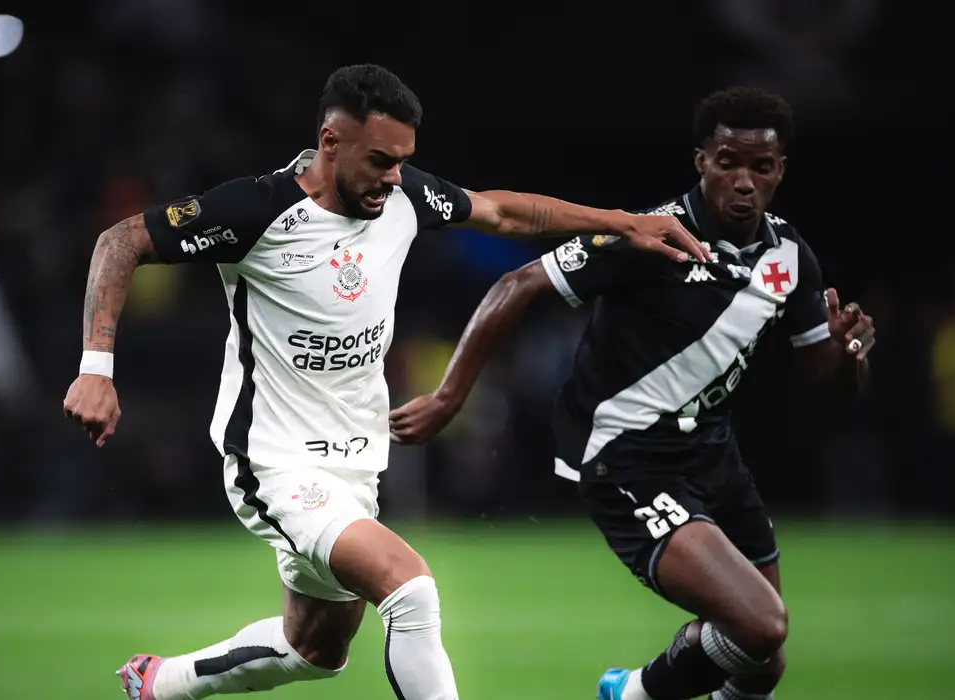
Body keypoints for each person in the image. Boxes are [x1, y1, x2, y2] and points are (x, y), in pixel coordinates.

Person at [62, 63, 708, 700]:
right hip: (275, 460)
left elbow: (503, 213)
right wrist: (96, 369)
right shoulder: (256, 209)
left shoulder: (402, 196)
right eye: (379, 160)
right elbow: (121, 242)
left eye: (402, 161)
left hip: (355, 462)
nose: (394, 177)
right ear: (330, 142)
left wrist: (623, 222)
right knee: (410, 587)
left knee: (314, 649)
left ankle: (159, 684)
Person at [389, 86, 877, 700]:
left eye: (761, 166)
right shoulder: (651, 236)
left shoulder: (790, 258)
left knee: (763, 661)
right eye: (728, 162)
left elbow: (832, 383)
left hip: (713, 456)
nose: (743, 181)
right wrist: (448, 397)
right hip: (626, 455)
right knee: (759, 626)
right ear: (702, 162)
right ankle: (633, 694)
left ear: (780, 171)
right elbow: (518, 284)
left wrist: (850, 355)